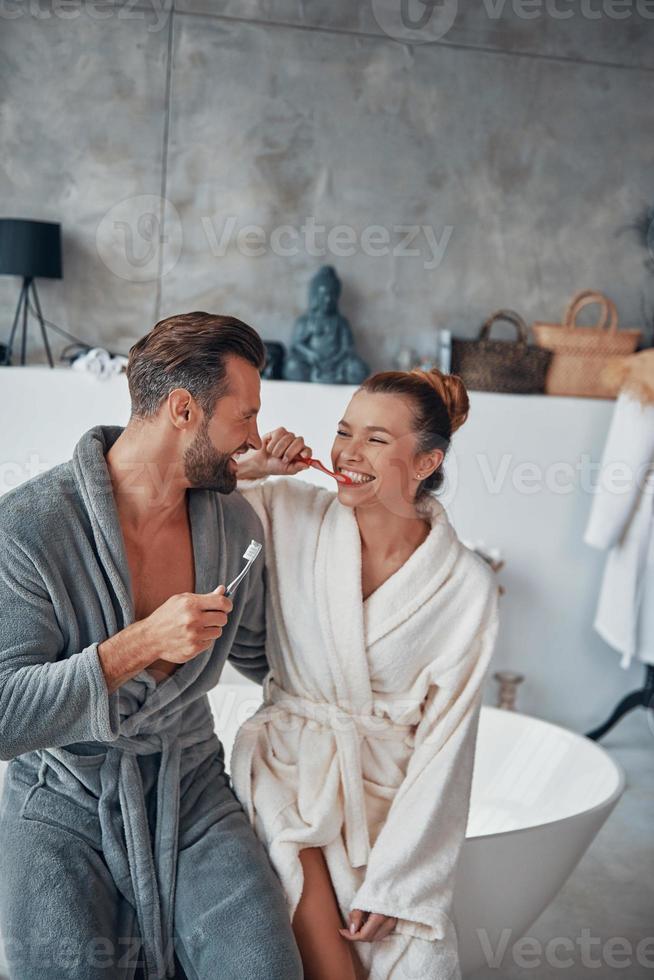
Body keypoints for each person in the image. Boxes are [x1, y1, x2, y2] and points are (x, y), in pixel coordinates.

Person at [0, 312, 303, 980]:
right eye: (245, 416)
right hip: (61, 798)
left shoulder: (232, 524)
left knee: (265, 966)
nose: (255, 437)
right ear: (183, 409)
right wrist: (134, 647)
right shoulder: (28, 530)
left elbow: (268, 656)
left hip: (188, 786)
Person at [230, 368, 501, 980]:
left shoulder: (465, 587)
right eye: (343, 431)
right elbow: (190, 499)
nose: (348, 452)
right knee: (328, 956)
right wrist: (256, 468)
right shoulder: (288, 511)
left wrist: (402, 880)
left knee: (412, 960)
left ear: (427, 461)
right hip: (284, 771)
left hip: (388, 803)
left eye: (377, 440)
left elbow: (446, 746)